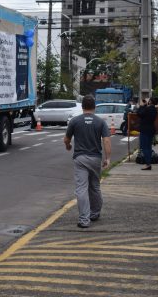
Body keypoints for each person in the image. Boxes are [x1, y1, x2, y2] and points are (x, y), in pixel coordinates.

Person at [64, 95, 111, 229]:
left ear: (83, 106)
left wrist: (68, 146)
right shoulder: (100, 122)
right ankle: (95, 213)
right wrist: (107, 158)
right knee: (95, 186)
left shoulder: (75, 121)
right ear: (94, 106)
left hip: (80, 158)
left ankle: (84, 220)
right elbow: (107, 140)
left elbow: (66, 139)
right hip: (95, 158)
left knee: (81, 189)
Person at [136, 96, 158, 170]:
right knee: (149, 147)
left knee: (144, 147)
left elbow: (139, 113)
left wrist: (142, 106)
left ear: (150, 101)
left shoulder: (148, 109)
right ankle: (148, 163)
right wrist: (145, 105)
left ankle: (148, 164)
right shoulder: (154, 109)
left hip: (145, 130)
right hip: (151, 129)